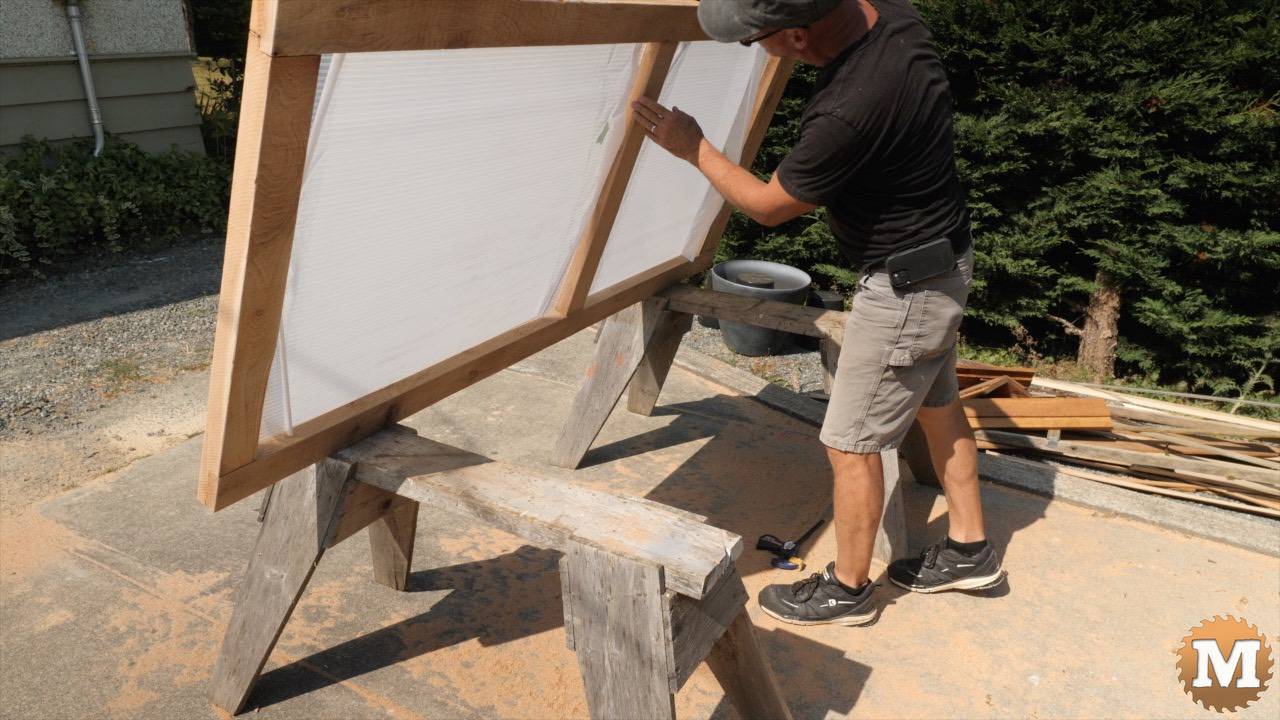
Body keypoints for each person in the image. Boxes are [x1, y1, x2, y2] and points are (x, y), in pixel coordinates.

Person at [632, 0, 1004, 626]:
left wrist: (693, 147)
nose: (755, 51)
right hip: (943, 263)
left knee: (850, 443)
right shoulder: (893, 16)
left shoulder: (847, 110)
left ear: (798, 37)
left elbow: (768, 205)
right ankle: (970, 550)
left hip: (906, 291)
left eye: (756, 40)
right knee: (938, 410)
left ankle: (847, 591)